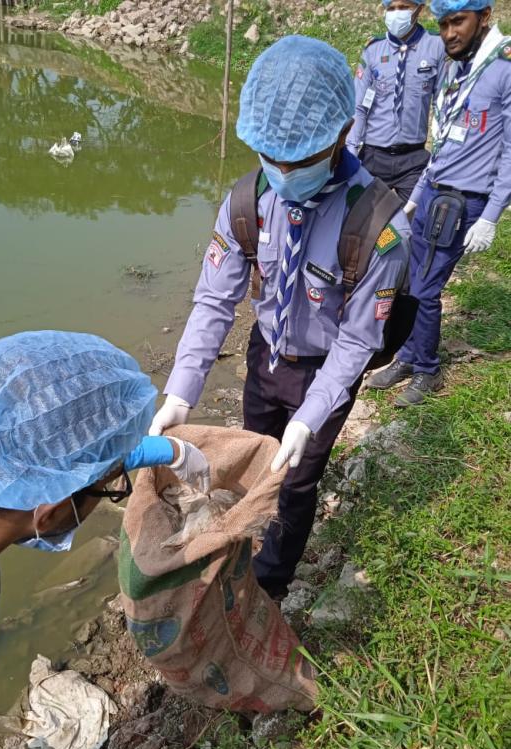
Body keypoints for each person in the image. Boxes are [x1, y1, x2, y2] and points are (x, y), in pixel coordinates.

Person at [149, 37, 411, 601]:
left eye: (300, 159)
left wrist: (312, 415)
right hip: (265, 359)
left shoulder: (379, 228)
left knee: (294, 482)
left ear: (341, 132)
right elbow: (215, 302)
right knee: (248, 467)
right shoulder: (248, 200)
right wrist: (180, 391)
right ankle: (238, 556)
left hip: (326, 374)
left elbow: (359, 339)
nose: (284, 171)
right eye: (273, 157)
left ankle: (269, 589)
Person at [0, 331, 210, 749]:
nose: (110, 489)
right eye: (106, 490)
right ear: (49, 513)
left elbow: (40, 453)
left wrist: (169, 450)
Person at [367, 0, 511, 405]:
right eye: (444, 23)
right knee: (413, 278)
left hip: (462, 201)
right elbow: (444, 142)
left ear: (485, 17)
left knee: (426, 289)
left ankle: (427, 369)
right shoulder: (455, 67)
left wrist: (493, 215)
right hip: (434, 190)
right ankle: (410, 355)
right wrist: (416, 197)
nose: (450, 33)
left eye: (459, 22)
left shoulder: (503, 69)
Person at [347, 0, 446, 202]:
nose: (396, 13)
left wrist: (441, 152)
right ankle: (383, 236)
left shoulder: (436, 47)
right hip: (374, 156)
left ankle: (395, 235)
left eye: (404, 7)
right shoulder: (373, 50)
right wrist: (351, 148)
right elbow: (359, 106)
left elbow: (443, 104)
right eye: (391, 8)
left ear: (419, 9)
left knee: (410, 223)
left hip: (414, 159)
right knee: (367, 223)